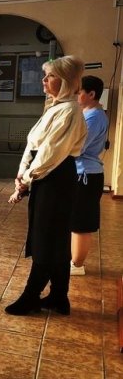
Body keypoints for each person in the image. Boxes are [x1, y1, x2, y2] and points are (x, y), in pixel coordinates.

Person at [6, 56, 87, 316]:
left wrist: (27, 179)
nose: (44, 80)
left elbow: (51, 153)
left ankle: (31, 296)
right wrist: (22, 175)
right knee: (54, 239)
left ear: (66, 81)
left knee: (47, 239)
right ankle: (59, 297)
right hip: (46, 176)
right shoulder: (55, 107)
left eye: (50, 76)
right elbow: (34, 147)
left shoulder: (70, 110)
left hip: (56, 178)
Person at [69, 75, 109, 276]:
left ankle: (77, 265)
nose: (76, 95)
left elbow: (78, 147)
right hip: (83, 173)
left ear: (91, 94)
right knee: (76, 220)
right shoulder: (89, 113)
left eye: (79, 92)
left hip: (87, 175)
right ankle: (73, 261)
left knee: (81, 223)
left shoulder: (94, 116)